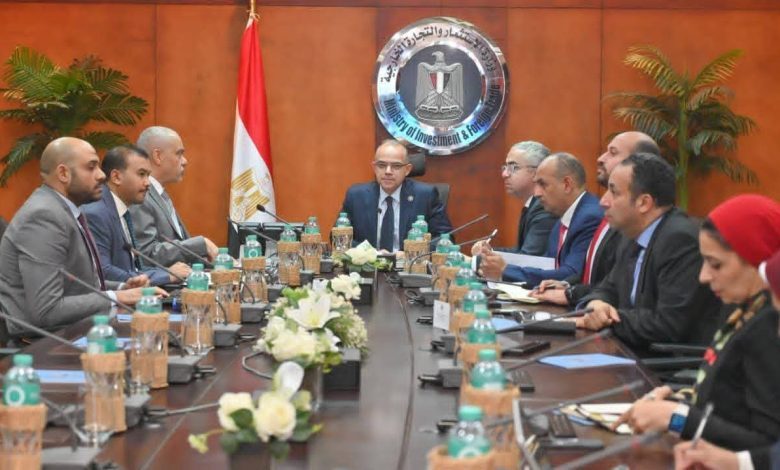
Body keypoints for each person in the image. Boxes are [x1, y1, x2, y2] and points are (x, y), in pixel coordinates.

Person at [615, 194, 780, 453]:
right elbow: (728, 401)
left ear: (757, 261)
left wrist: (676, 417)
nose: (703, 276)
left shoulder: (770, 327)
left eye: (716, 264)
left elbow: (769, 448)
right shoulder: (746, 308)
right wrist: (677, 399)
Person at [0, 137, 164, 336]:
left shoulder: (64, 210)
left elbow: (75, 286)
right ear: (63, 173)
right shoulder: (43, 216)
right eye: (91, 167)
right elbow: (46, 309)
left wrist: (122, 287)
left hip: (73, 331)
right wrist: (117, 297)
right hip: (43, 343)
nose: (101, 175)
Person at [576, 153, 721, 350]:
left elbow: (668, 324)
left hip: (666, 361)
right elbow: (608, 287)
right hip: (630, 349)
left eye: (614, 192)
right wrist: (596, 303)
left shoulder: (680, 240)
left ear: (644, 203)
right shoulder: (630, 234)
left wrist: (606, 320)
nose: (603, 201)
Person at [533, 131, 659, 306]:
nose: (600, 158)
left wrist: (574, 295)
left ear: (638, 161)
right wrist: (568, 287)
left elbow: (625, 294)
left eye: (612, 153)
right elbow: (603, 279)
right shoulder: (612, 216)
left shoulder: (635, 225)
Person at [478, 152, 602, 287]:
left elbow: (571, 275)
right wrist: (493, 260)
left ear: (567, 185)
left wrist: (505, 270)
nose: (536, 193)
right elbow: (547, 265)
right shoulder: (562, 219)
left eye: (543, 184)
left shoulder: (589, 217)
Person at [82, 145, 192, 286]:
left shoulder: (121, 209)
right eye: (141, 174)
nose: (147, 183)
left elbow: (133, 269)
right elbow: (104, 272)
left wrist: (166, 272)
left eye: (148, 175)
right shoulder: (97, 213)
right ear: (116, 177)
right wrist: (166, 275)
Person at [338, 139, 453, 252]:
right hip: (369, 263)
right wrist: (371, 254)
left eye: (396, 166)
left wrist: (409, 253)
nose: (388, 171)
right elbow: (339, 237)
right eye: (381, 165)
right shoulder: (356, 196)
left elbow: (445, 239)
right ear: (374, 168)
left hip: (409, 263)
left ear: (407, 170)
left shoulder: (425, 196)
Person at [129, 126, 218, 265]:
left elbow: (181, 250)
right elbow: (146, 254)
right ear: (158, 156)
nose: (185, 161)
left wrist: (216, 262)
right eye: (179, 154)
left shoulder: (160, 195)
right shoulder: (140, 197)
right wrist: (200, 245)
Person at [471, 141, 556, 256]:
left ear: (537, 172)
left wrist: (489, 257)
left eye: (513, 167)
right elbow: (521, 252)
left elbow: (528, 259)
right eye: (505, 167)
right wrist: (489, 252)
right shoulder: (532, 205)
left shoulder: (545, 207)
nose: (504, 174)